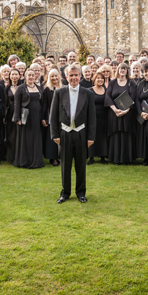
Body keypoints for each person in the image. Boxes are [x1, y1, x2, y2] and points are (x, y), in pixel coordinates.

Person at [51, 66, 96, 204]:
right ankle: (65, 193)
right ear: (66, 77)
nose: (74, 78)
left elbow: (92, 117)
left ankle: (81, 192)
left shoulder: (87, 93)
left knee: (81, 165)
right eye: (71, 75)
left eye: (76, 75)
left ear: (80, 76)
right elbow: (53, 116)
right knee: (65, 165)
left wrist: (91, 137)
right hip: (64, 133)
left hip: (81, 133)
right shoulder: (59, 92)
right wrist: (55, 134)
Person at [105, 63, 138, 165]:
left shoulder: (131, 83)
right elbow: (108, 97)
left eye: (124, 69)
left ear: (127, 71)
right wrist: (115, 110)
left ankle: (127, 159)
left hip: (127, 114)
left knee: (126, 135)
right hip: (114, 114)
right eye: (121, 69)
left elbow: (133, 97)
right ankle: (116, 159)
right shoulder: (112, 82)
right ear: (117, 70)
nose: (122, 70)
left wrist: (126, 111)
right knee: (116, 135)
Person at [12, 69, 45, 169]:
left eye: (32, 75)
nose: (31, 77)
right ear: (25, 77)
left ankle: (36, 161)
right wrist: (17, 118)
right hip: (25, 117)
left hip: (36, 117)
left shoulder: (40, 88)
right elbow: (16, 104)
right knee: (26, 138)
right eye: (29, 75)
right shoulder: (20, 88)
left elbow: (42, 103)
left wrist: (43, 117)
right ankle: (25, 161)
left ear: (35, 76)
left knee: (36, 138)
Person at [42, 69, 63, 166]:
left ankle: (61, 156)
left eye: (56, 76)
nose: (54, 78)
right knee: (52, 138)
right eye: (52, 76)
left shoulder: (64, 87)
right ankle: (53, 158)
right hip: (51, 116)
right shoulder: (47, 89)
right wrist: (43, 118)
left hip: (63, 115)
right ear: (49, 78)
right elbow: (44, 105)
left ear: (59, 76)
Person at [88, 72, 109, 165]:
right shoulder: (89, 91)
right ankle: (91, 157)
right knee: (92, 136)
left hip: (104, 117)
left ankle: (103, 157)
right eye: (98, 78)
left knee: (102, 137)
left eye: (102, 78)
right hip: (92, 117)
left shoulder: (106, 90)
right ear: (94, 80)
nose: (100, 80)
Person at [4, 69, 21, 164]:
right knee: (11, 135)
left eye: (16, 74)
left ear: (19, 76)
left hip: (20, 113)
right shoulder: (7, 88)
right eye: (12, 74)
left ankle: (20, 156)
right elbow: (5, 102)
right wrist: (4, 116)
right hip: (10, 113)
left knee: (20, 134)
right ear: (9, 76)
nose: (14, 76)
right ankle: (12, 157)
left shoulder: (23, 87)